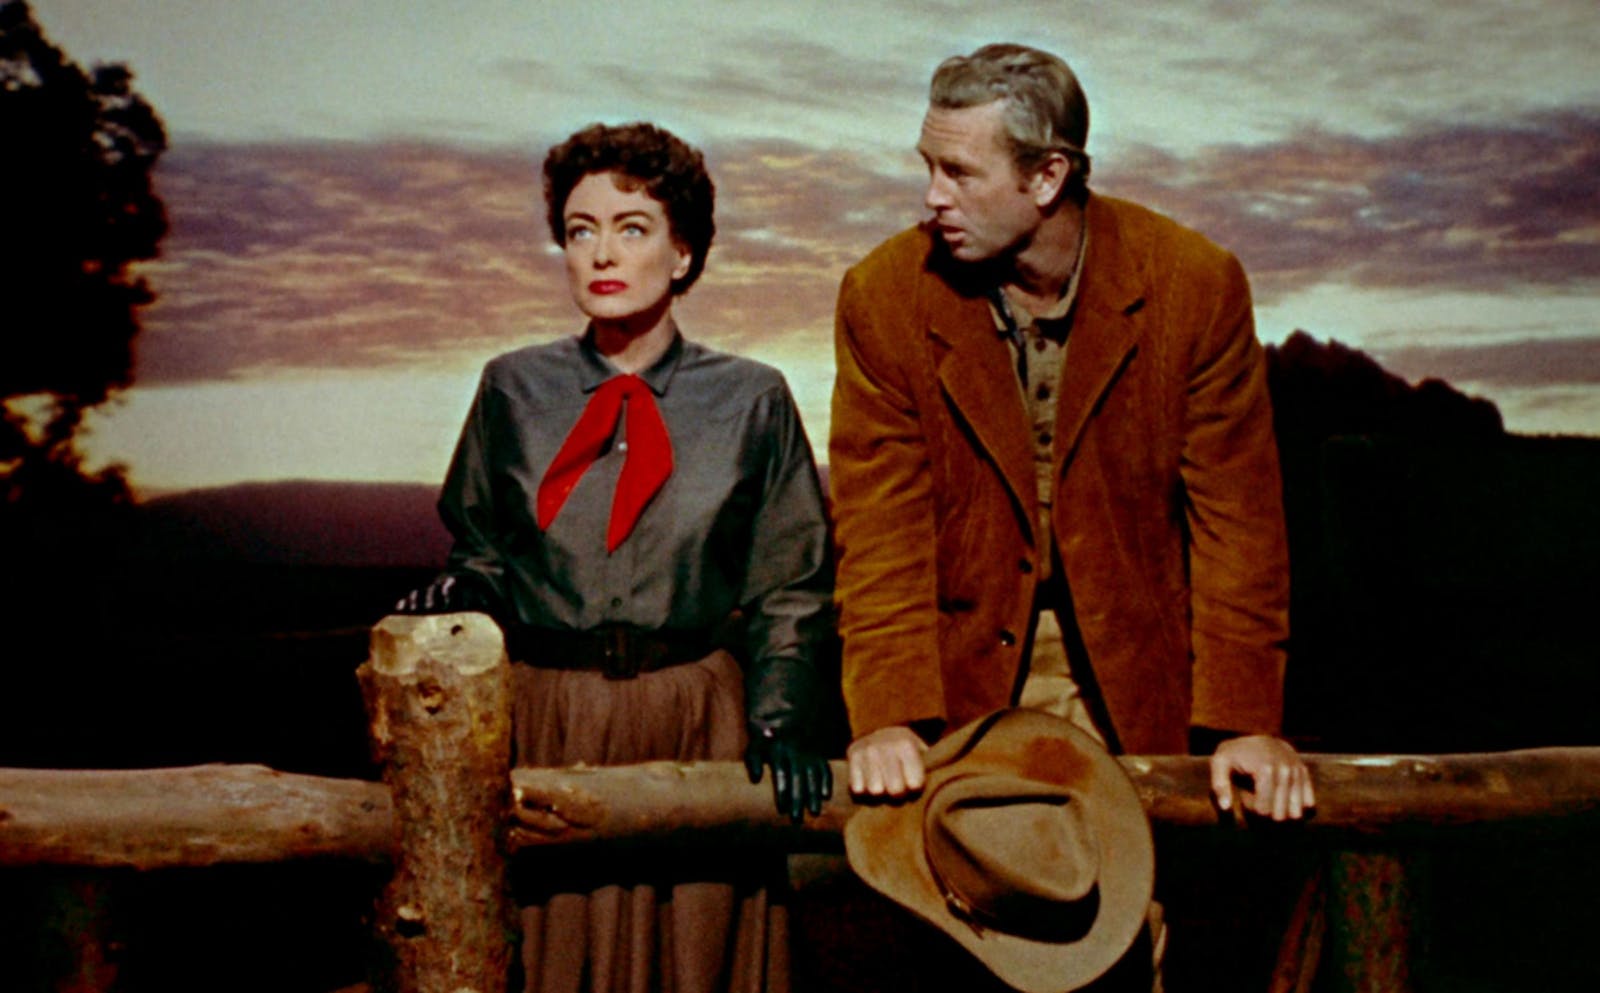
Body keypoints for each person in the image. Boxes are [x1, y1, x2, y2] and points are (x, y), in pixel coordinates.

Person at [828, 42, 1316, 988]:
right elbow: (878, 523)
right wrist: (888, 715)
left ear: (1048, 176)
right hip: (968, 679)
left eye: (958, 171)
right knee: (974, 949)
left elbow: (1239, 523)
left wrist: (1244, 724)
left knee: (1140, 947)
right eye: (927, 166)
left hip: (1140, 674)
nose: (932, 195)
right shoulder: (885, 294)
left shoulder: (1192, 283)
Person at [397, 121, 833, 993]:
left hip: (697, 724)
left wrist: (783, 711)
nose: (601, 251)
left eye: (632, 228)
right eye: (580, 227)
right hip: (549, 720)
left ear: (683, 254)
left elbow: (790, 582)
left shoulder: (750, 400)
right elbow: (486, 551)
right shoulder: (513, 388)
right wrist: (459, 594)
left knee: (697, 958)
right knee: (554, 957)